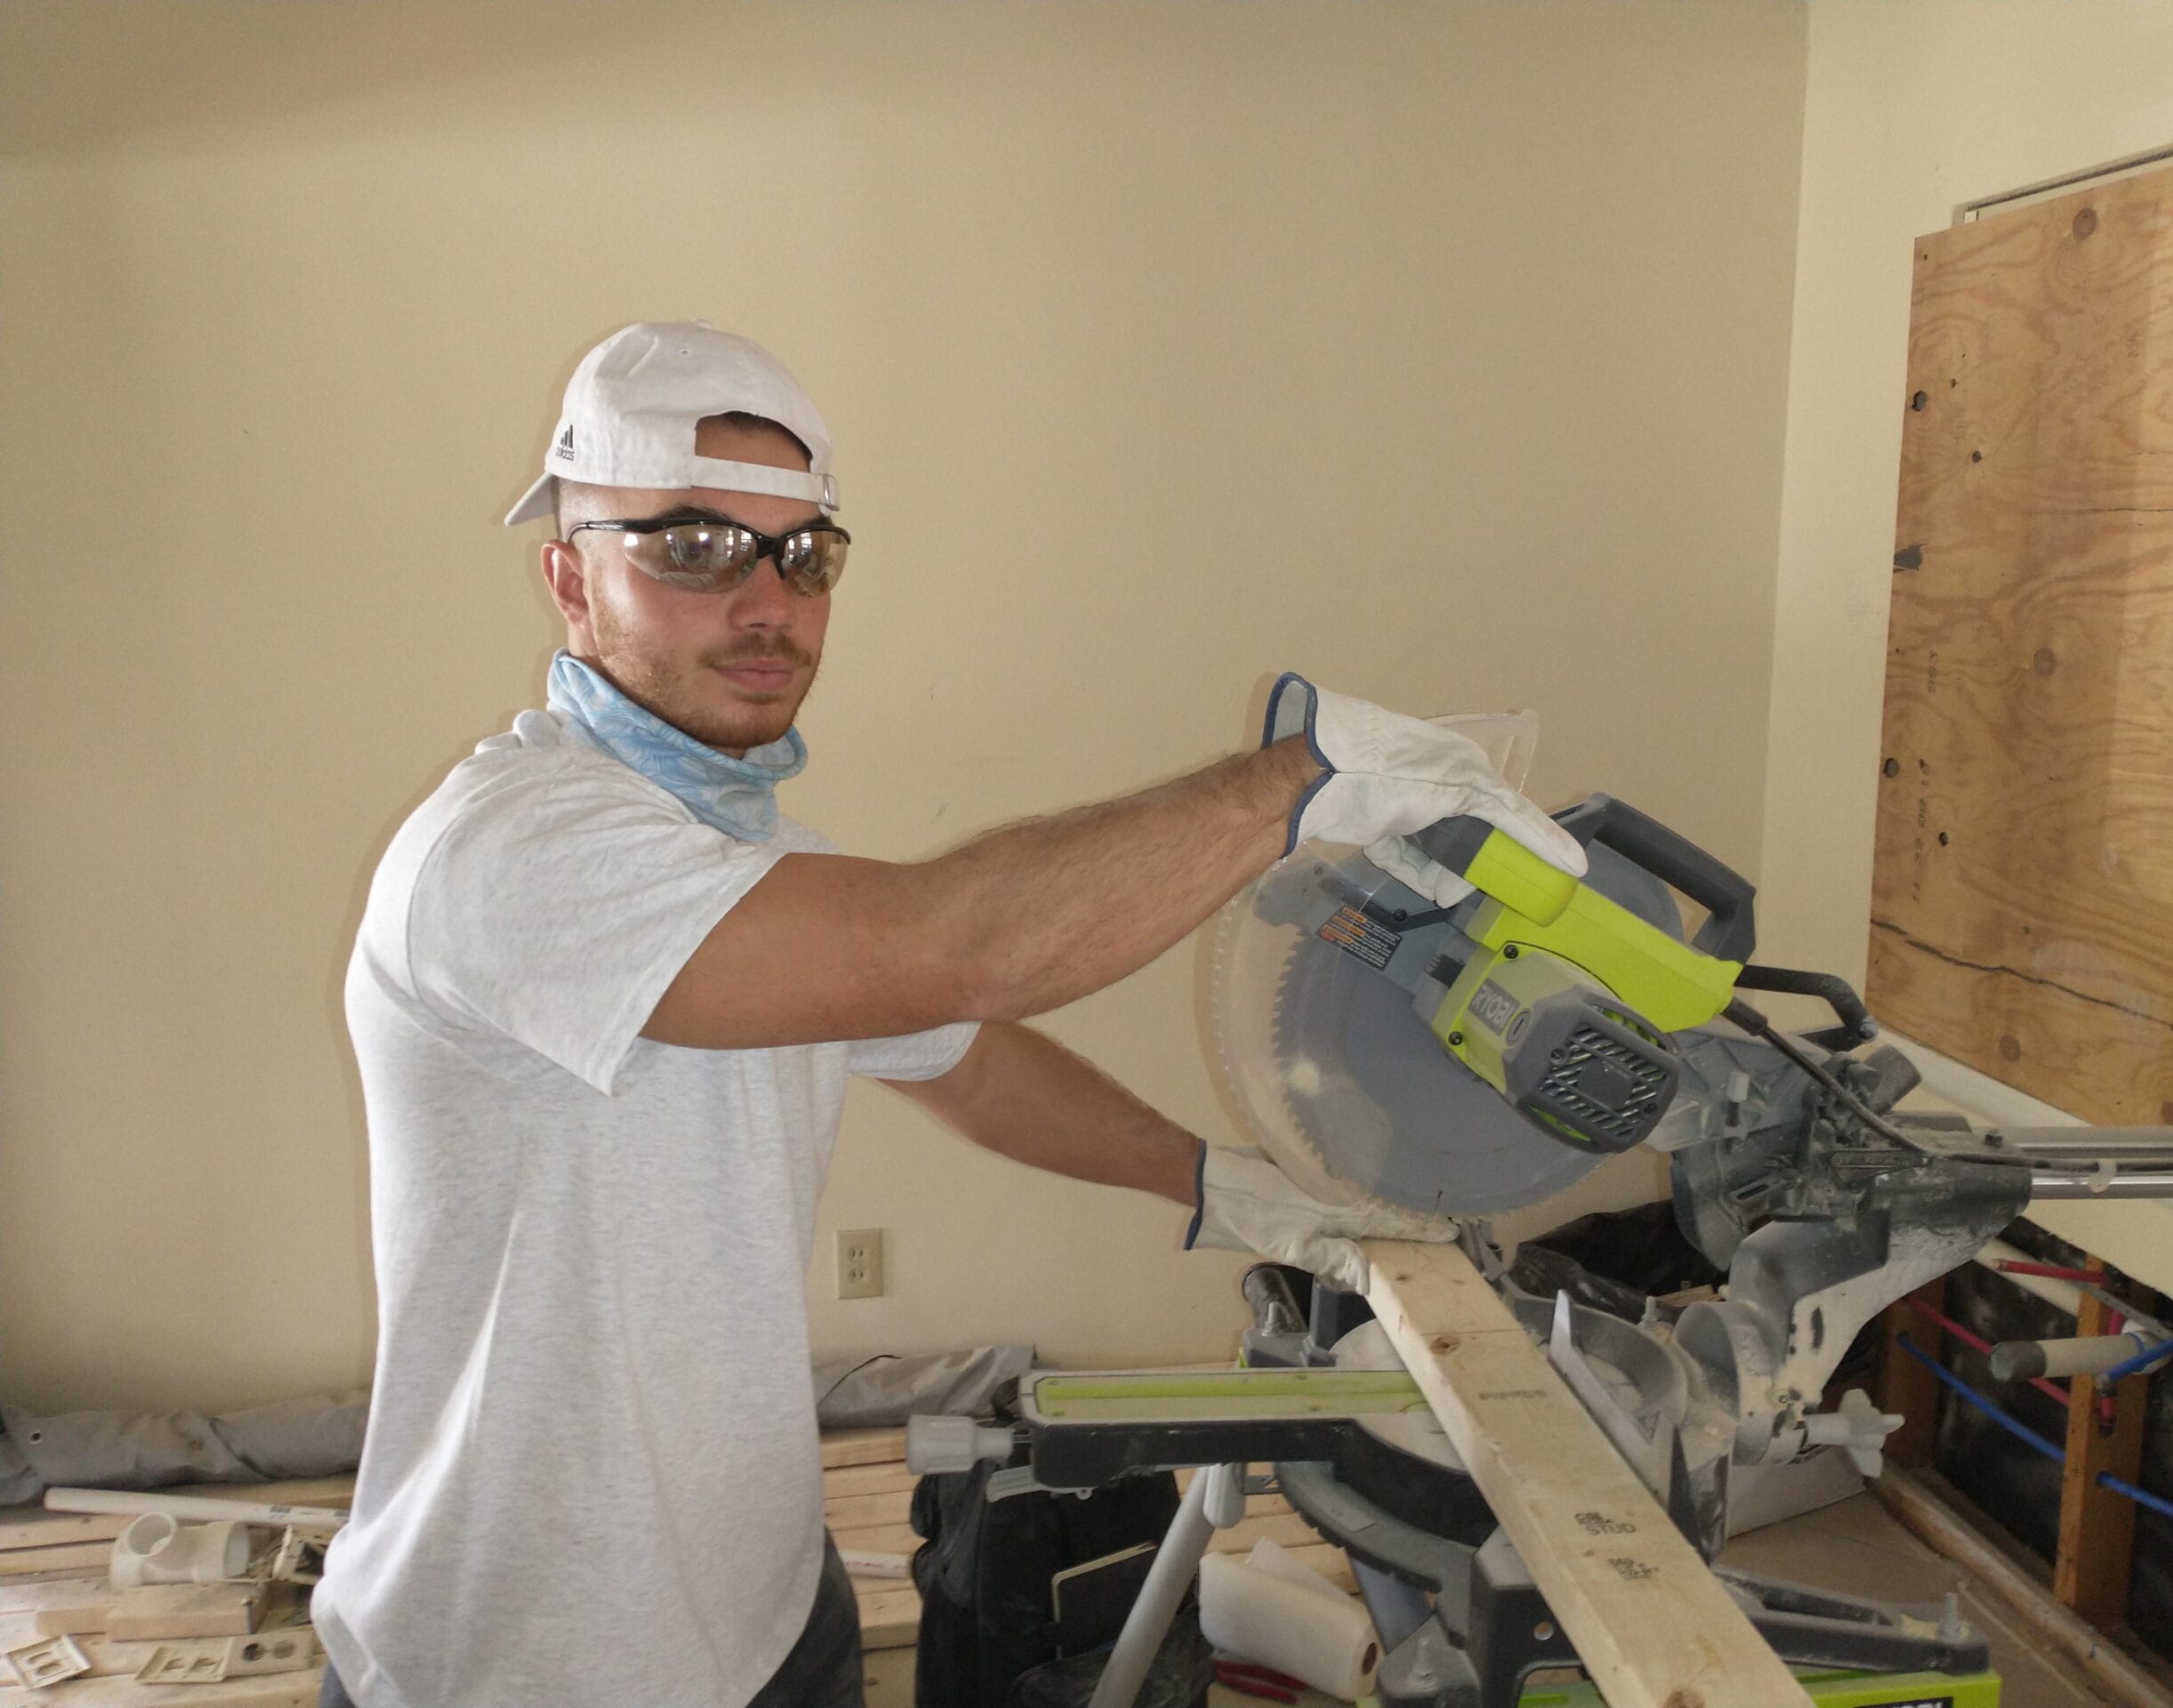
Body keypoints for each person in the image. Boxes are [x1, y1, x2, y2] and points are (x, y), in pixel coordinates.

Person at [310, 321, 1582, 1708]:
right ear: (569, 578)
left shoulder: (743, 862)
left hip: (767, 1604)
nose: (766, 601)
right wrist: (1295, 783)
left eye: (803, 554)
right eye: (692, 547)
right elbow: (963, 951)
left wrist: (1229, 1190)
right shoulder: (515, 852)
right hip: (530, 1659)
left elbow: (963, 1056)